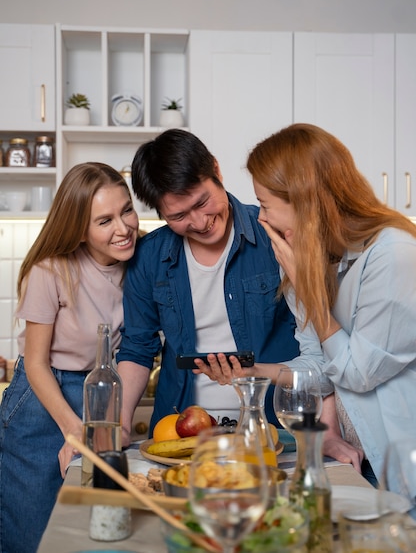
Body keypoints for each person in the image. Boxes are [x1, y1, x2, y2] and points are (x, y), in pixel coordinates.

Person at [200, 122, 416, 487]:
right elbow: (321, 368)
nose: (262, 217)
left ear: (305, 199)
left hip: (402, 465)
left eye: (266, 205)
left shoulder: (393, 255)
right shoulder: (312, 262)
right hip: (358, 460)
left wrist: (307, 288)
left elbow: (356, 373)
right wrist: (250, 372)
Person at [116, 129, 300, 444]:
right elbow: (137, 347)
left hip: (274, 427)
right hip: (179, 432)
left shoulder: (275, 235)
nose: (200, 222)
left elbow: (316, 342)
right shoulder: (148, 257)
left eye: (202, 202)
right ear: (161, 213)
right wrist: (118, 425)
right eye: (178, 215)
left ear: (216, 170)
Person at [0, 162, 139, 553]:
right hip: (43, 398)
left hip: (101, 394)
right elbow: (36, 362)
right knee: (32, 534)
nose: (123, 228)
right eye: (104, 221)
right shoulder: (51, 269)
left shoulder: (142, 260)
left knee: (97, 529)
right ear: (80, 229)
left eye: (126, 210)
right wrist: (73, 427)